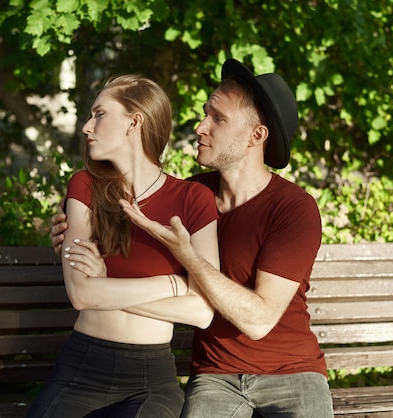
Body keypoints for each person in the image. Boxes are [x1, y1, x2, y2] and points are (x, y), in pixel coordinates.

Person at [51, 59, 334, 417]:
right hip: (215, 375)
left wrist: (109, 288)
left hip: (292, 373)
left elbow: (259, 321)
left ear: (256, 136)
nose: (200, 127)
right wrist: (71, 233)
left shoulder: (293, 208)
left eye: (218, 118)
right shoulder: (192, 196)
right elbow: (113, 246)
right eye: (205, 114)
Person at [28, 74, 219, 418]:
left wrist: (107, 287)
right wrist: (175, 285)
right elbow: (83, 295)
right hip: (82, 369)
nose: (87, 127)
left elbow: (202, 313)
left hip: (152, 378)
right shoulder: (84, 186)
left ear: (134, 121)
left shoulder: (193, 198)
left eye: (99, 114)